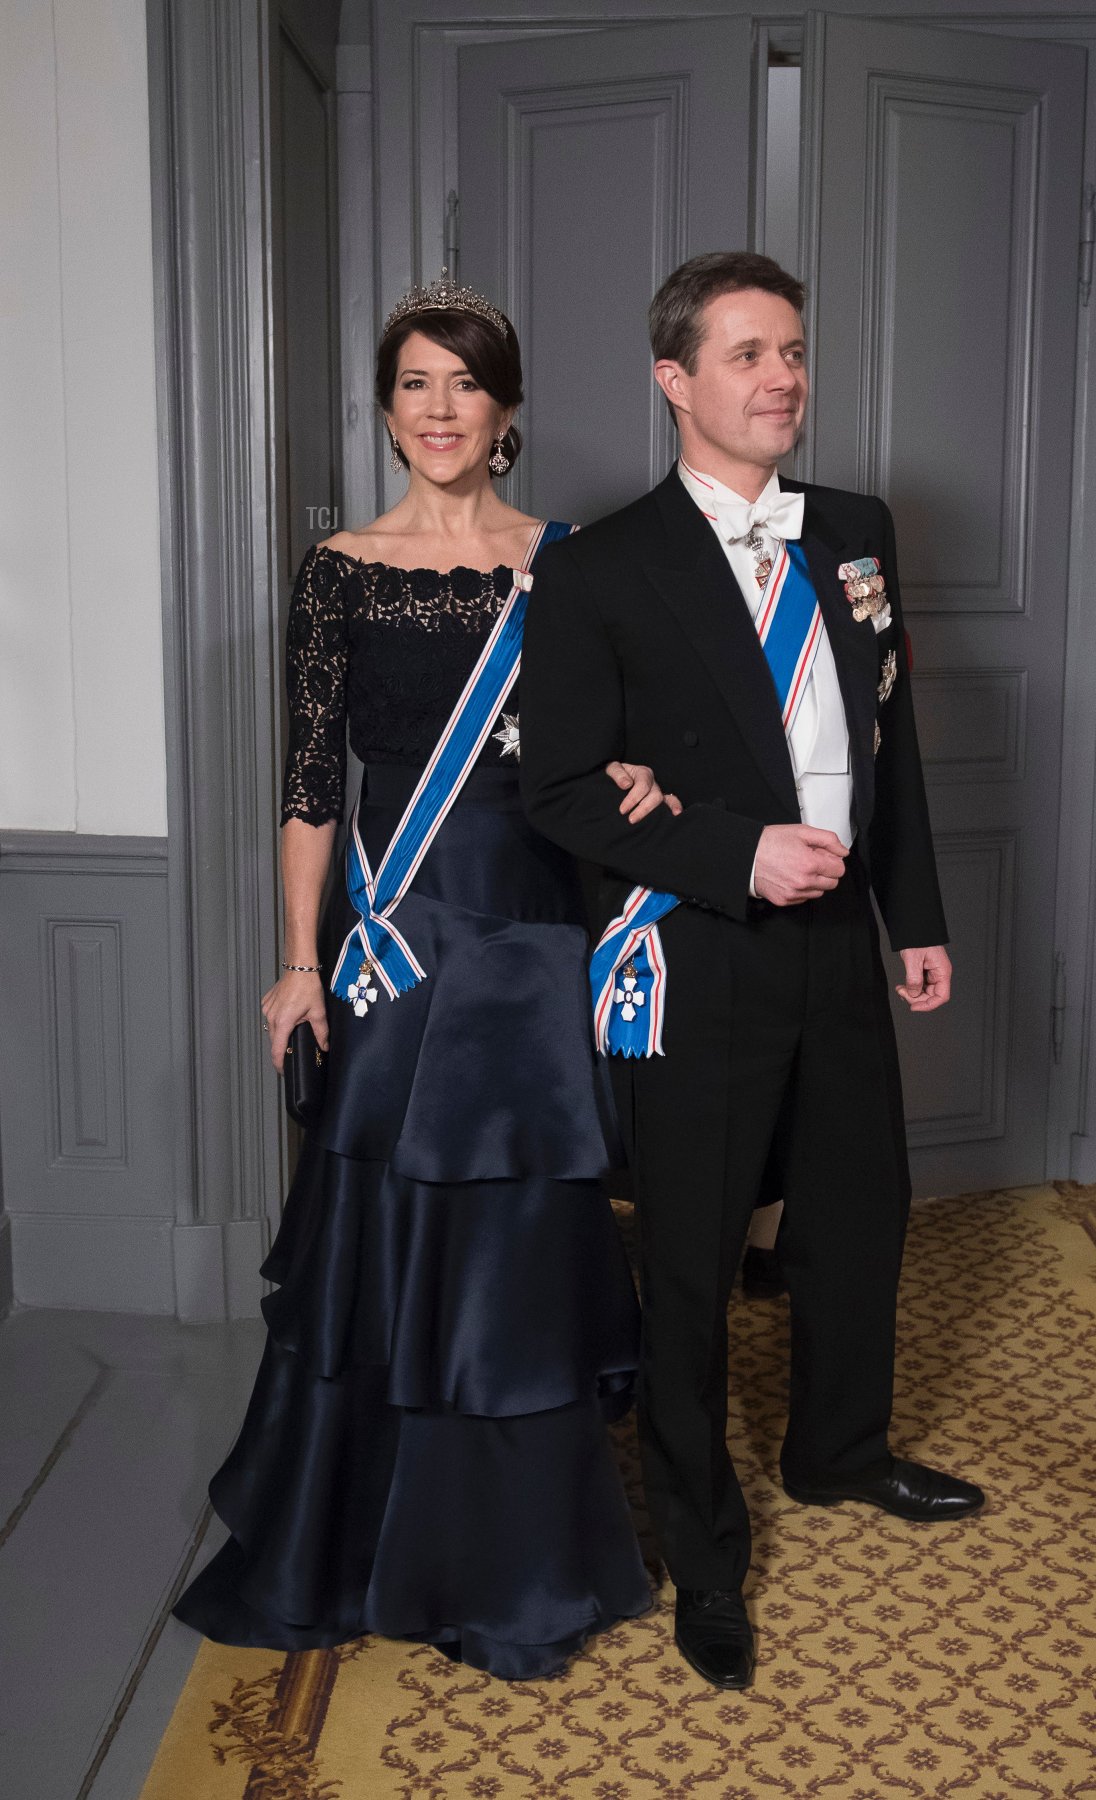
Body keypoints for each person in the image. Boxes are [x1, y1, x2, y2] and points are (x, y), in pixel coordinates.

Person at [174, 274, 666, 1679]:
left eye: (465, 383)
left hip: (525, 933)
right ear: (385, 407)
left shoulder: (568, 560)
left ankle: (514, 1563)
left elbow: (606, 761)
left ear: (505, 408)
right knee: (382, 1244)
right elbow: (309, 786)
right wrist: (294, 964)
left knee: (513, 1244)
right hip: (392, 942)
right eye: (415, 384)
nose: (439, 410)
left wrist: (632, 769)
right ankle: (360, 1540)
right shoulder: (338, 566)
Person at [518, 251, 984, 1693]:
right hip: (702, 946)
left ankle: (840, 1453)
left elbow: (889, 740)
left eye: (792, 352)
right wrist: (732, 856)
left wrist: (913, 915)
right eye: (746, 356)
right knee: (698, 1256)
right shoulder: (601, 562)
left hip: (839, 941)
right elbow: (564, 791)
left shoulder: (855, 527)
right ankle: (705, 1550)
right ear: (675, 379)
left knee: (858, 1214)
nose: (781, 377)